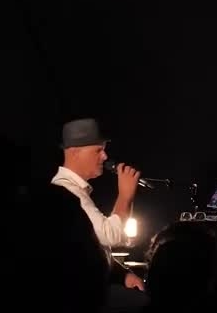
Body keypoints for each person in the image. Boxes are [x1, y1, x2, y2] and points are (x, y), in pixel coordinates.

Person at [50, 118, 146, 293]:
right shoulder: (67, 190)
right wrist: (125, 196)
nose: (105, 156)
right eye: (98, 150)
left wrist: (121, 274)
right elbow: (110, 236)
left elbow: (94, 247)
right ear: (75, 152)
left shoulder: (75, 190)